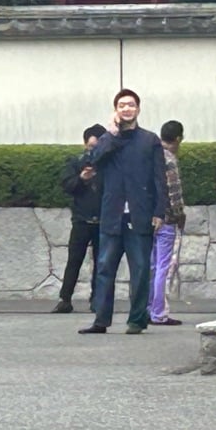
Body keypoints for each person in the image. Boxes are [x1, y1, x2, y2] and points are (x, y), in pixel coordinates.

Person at [78, 89, 168, 335]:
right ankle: (101, 320)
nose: (127, 109)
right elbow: (93, 159)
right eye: (121, 105)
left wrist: (159, 212)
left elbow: (160, 179)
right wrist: (111, 133)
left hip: (140, 215)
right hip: (112, 215)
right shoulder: (109, 140)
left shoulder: (150, 140)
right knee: (104, 268)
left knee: (140, 270)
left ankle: (137, 320)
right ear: (115, 110)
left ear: (138, 109)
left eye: (131, 105)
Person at [51, 123, 106, 313]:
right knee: (74, 260)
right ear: (84, 144)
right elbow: (67, 185)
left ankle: (97, 299)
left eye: (97, 147)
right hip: (81, 220)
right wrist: (82, 179)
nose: (93, 151)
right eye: (90, 147)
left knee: (101, 262)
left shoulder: (109, 165)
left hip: (103, 221)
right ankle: (65, 299)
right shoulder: (75, 163)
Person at [148, 120, 186, 326]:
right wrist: (179, 215)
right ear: (178, 138)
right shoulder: (169, 159)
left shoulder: (149, 155)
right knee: (163, 266)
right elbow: (174, 192)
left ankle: (147, 308)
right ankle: (159, 312)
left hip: (148, 218)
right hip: (167, 219)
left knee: (151, 266)